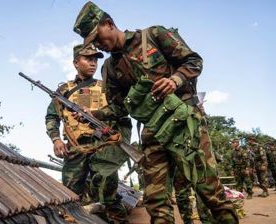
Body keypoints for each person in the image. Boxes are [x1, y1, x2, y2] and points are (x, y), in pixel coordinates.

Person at [72, 2, 238, 223]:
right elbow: (118, 108)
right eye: (91, 43)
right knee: (156, 201)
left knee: (210, 192)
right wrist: (92, 113)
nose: (97, 46)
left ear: (109, 24)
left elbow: (194, 61)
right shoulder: (109, 69)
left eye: (97, 38)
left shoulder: (154, 35)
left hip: (184, 124)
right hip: (153, 133)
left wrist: (175, 80)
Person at [45, 43, 132, 223]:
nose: (93, 63)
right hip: (75, 150)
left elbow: (121, 112)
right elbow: (52, 117)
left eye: (95, 60)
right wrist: (56, 140)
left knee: (109, 194)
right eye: (88, 59)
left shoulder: (106, 87)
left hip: (103, 149)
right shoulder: (64, 91)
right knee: (70, 198)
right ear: (76, 63)